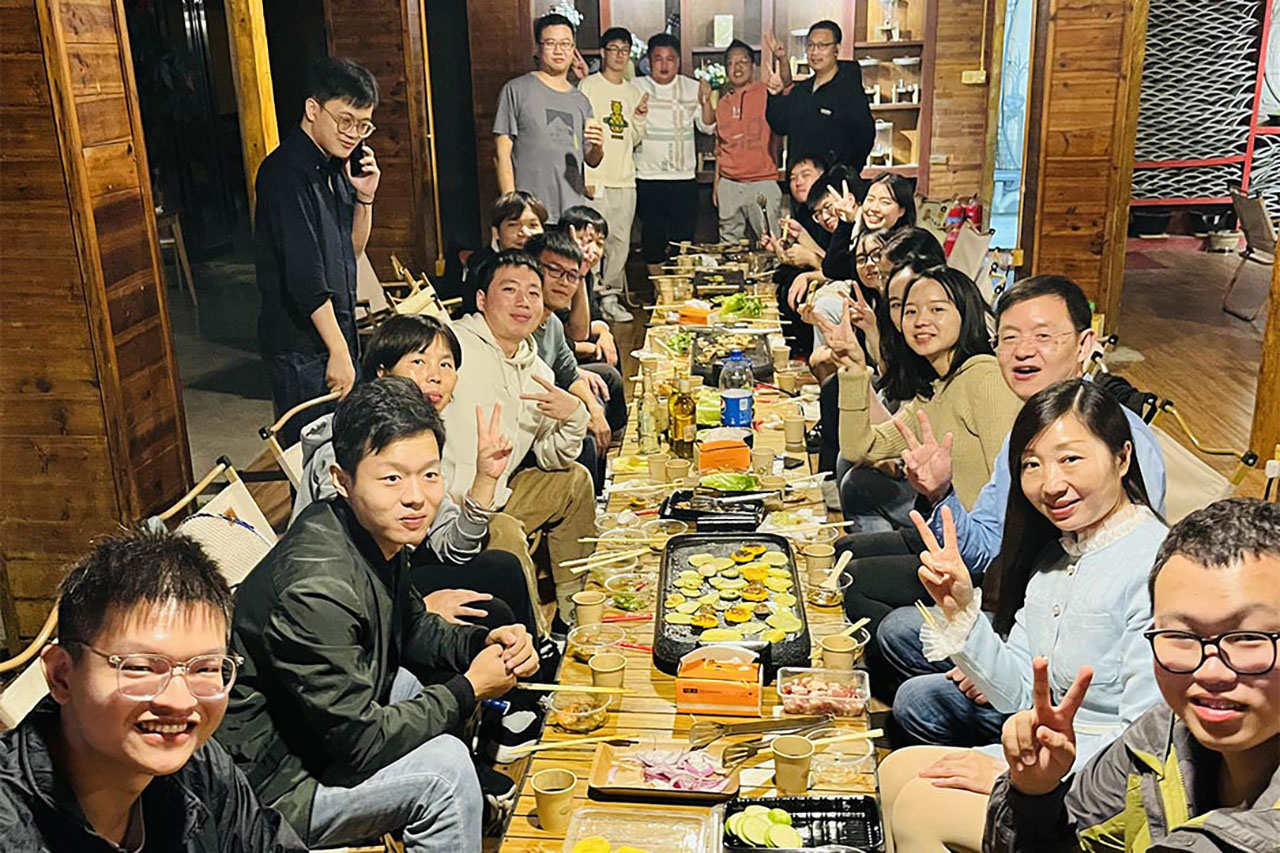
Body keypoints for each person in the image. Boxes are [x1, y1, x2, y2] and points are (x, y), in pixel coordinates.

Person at [220, 378, 540, 850]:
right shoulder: (315, 588)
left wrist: (482, 643)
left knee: (414, 683)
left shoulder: (371, 531)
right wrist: (471, 687)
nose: (416, 497)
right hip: (274, 787)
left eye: (429, 475)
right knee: (445, 773)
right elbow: (359, 744)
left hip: (319, 738)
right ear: (341, 479)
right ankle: (458, 809)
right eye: (392, 478)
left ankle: (463, 818)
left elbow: (411, 628)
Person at [876, 379, 1168, 853]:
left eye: (1070, 459)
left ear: (1122, 458)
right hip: (1042, 759)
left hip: (1106, 783)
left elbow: (1147, 738)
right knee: (895, 771)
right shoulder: (1055, 557)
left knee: (919, 805)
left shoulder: (1155, 565)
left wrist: (1020, 775)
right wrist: (962, 611)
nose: (1050, 484)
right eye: (1032, 464)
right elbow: (1015, 694)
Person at [838, 275, 1168, 692]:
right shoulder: (1022, 432)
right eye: (1009, 338)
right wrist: (940, 493)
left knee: (905, 652)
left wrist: (1004, 657)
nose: (1023, 350)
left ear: (1084, 345)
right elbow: (986, 545)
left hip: (1081, 660)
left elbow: (1122, 597)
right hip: (1022, 613)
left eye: (1043, 336)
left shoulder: (1120, 435)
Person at [985, 498, 1280, 852]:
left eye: (1248, 638)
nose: (1211, 671)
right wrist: (1035, 793)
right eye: (1181, 635)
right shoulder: (1161, 737)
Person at [0, 531, 305, 851]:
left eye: (205, 668)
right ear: (62, 675)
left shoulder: (200, 767)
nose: (180, 701)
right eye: (141, 667)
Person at [290, 314, 543, 644]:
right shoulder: (346, 445)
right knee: (490, 613)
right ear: (382, 371)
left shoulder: (420, 437)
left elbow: (455, 549)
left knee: (503, 568)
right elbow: (340, 566)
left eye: (446, 364)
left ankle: (533, 659)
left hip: (396, 572)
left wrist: (485, 478)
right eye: (418, 361)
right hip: (342, 598)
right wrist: (417, 610)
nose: (435, 376)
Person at [441, 249, 595, 625]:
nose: (523, 301)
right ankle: (535, 640)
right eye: (509, 289)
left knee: (575, 480)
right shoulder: (452, 348)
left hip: (498, 494)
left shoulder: (537, 370)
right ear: (482, 300)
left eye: (533, 293)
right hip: (446, 510)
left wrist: (575, 415)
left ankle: (575, 614)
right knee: (506, 532)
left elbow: (551, 456)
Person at [254, 57, 381, 446]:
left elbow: (351, 252)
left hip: (336, 334)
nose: (354, 134)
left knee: (345, 452)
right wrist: (337, 350)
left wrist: (365, 199)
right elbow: (304, 277)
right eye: (345, 121)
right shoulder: (284, 173)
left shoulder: (335, 167)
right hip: (302, 347)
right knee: (311, 458)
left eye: (363, 125)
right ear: (313, 109)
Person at [832, 266, 1021, 510]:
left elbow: (1009, 487)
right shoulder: (933, 390)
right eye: (911, 311)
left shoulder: (985, 378)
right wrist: (854, 372)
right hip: (947, 526)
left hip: (982, 532)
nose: (920, 321)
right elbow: (858, 449)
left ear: (966, 313)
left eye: (937, 309)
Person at [494, 13, 604, 223]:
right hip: (529, 211)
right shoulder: (516, 90)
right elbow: (502, 154)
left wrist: (598, 147)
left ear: (573, 49)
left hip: (572, 211)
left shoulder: (581, 100)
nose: (559, 50)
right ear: (538, 48)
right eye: (551, 43)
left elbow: (592, 160)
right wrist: (512, 207)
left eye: (565, 44)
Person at [524, 228, 617, 465]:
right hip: (528, 417)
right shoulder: (519, 324)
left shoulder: (552, 322)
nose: (564, 282)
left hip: (551, 402)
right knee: (585, 438)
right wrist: (582, 413)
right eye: (554, 271)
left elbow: (570, 374)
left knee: (599, 398)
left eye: (572, 275)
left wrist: (594, 410)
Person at [579, 26, 648, 322]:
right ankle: (590, 299)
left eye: (624, 50)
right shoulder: (588, 85)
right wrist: (587, 178)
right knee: (592, 240)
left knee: (620, 242)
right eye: (613, 49)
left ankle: (610, 297)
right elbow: (581, 135)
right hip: (597, 178)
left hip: (625, 178)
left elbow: (633, 139)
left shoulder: (633, 92)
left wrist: (640, 119)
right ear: (603, 52)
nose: (619, 55)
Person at [633, 33, 716, 276]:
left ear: (678, 62)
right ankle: (659, 290)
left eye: (670, 59)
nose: (664, 64)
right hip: (647, 176)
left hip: (683, 178)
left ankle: (681, 287)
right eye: (658, 58)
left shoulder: (691, 87)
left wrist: (706, 101)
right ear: (648, 61)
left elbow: (708, 127)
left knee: (683, 239)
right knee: (652, 238)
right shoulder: (634, 87)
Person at [559, 206, 628, 446]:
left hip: (569, 349)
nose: (593, 250)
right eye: (584, 240)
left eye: (599, 243)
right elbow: (569, 332)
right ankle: (615, 436)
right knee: (609, 373)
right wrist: (587, 347)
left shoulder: (585, 274)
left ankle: (617, 433)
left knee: (609, 345)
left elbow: (592, 320)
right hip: (558, 360)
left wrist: (605, 332)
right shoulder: (560, 275)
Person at [765, 20, 875, 171]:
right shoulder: (802, 90)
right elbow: (780, 125)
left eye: (822, 46)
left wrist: (844, 173)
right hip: (800, 179)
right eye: (810, 45)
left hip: (832, 181)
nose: (814, 52)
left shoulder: (848, 91)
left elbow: (864, 136)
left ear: (836, 49)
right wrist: (775, 95)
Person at [710, 40, 782, 244]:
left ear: (753, 65)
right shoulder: (722, 103)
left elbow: (786, 84)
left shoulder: (768, 93)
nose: (737, 67)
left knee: (771, 241)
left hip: (762, 181)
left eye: (742, 61)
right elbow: (720, 148)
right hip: (729, 183)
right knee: (728, 243)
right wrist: (717, 185)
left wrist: (782, 59)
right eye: (731, 63)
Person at [457, 191, 549, 312]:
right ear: (496, 232)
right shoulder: (481, 269)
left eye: (533, 225)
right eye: (513, 225)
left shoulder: (550, 264)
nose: (525, 233)